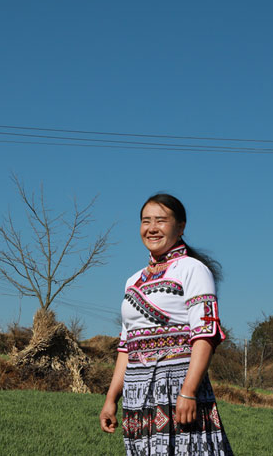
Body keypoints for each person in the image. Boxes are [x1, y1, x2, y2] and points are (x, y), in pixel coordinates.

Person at [100, 194, 233, 456]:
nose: (152, 228)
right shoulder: (132, 281)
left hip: (177, 387)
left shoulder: (192, 269)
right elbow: (126, 347)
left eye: (161, 220)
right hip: (138, 394)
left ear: (181, 226)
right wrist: (110, 399)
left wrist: (189, 391)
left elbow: (205, 334)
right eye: (146, 221)